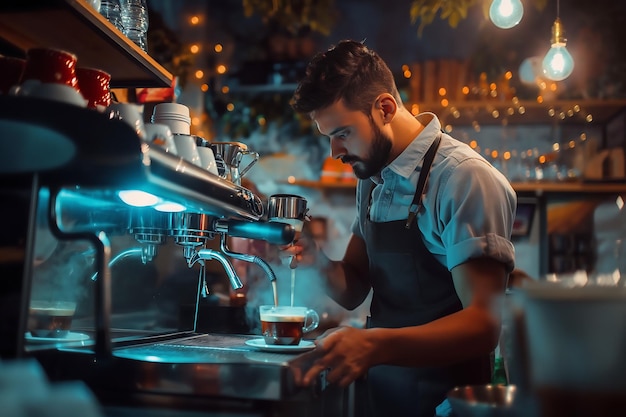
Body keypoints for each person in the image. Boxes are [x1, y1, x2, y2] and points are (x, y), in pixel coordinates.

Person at [286, 40, 517, 417]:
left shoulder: (464, 179)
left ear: (385, 108)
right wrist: (317, 260)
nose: (335, 152)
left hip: (448, 403)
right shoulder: (373, 178)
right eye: (328, 136)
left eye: (342, 132)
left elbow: (483, 324)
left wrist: (373, 345)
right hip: (384, 396)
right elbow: (354, 286)